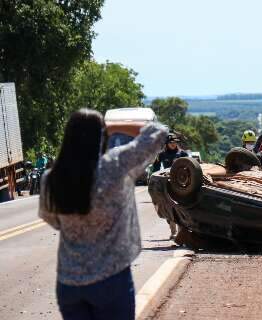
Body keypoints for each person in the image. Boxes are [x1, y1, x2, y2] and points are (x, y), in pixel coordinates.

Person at [38, 109, 167, 320]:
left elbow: (52, 219)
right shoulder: (113, 166)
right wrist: (116, 126)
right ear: (101, 136)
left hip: (68, 283)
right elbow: (158, 133)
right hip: (111, 280)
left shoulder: (51, 178)